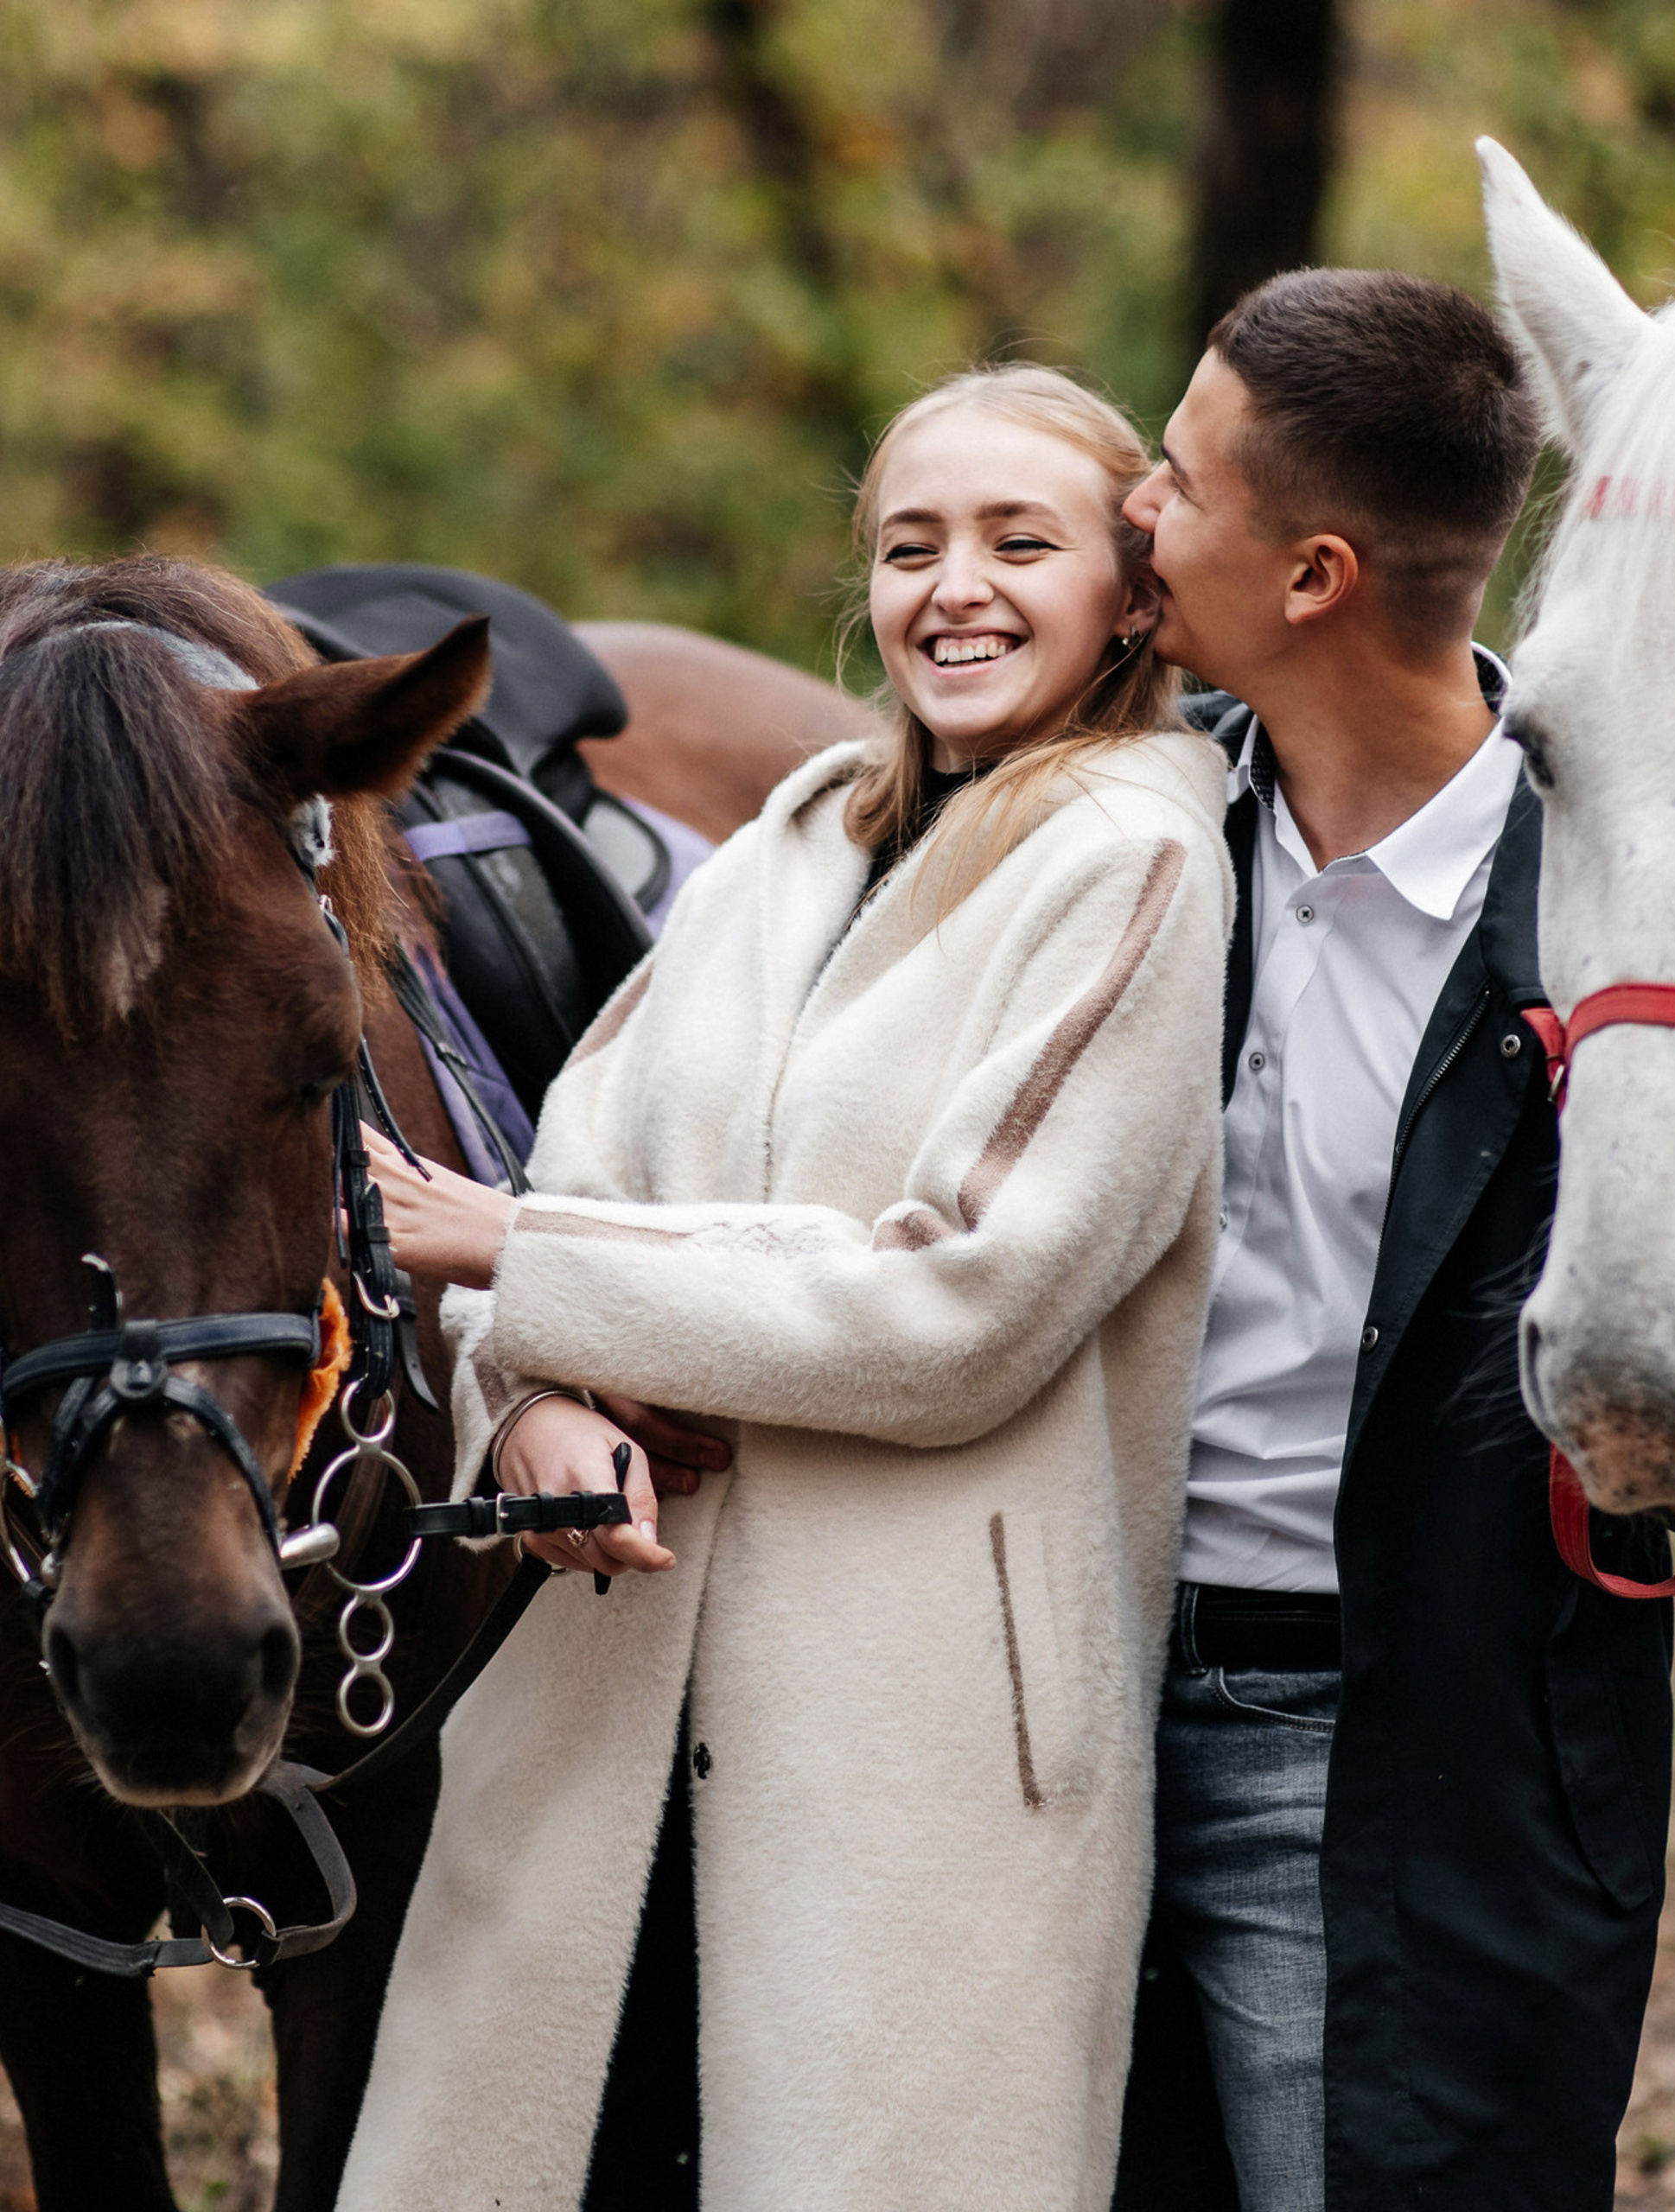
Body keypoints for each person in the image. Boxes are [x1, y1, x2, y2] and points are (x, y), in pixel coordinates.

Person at [334, 365, 1235, 2212]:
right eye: (910, 546)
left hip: (905, 1735)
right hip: (608, 1699)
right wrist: (537, 1397)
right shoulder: (788, 838)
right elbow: (564, 1173)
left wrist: (523, 1258)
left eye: (1017, 540)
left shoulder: (1137, 859)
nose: (951, 587)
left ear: (1131, 594)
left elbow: (964, 1307)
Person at [1111, 270, 1675, 2212]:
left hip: (1429, 1763)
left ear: (1314, 571)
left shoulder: (1629, 914)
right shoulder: (1127, 829)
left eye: (1170, 479)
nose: (1126, 513)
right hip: (1068, 1741)